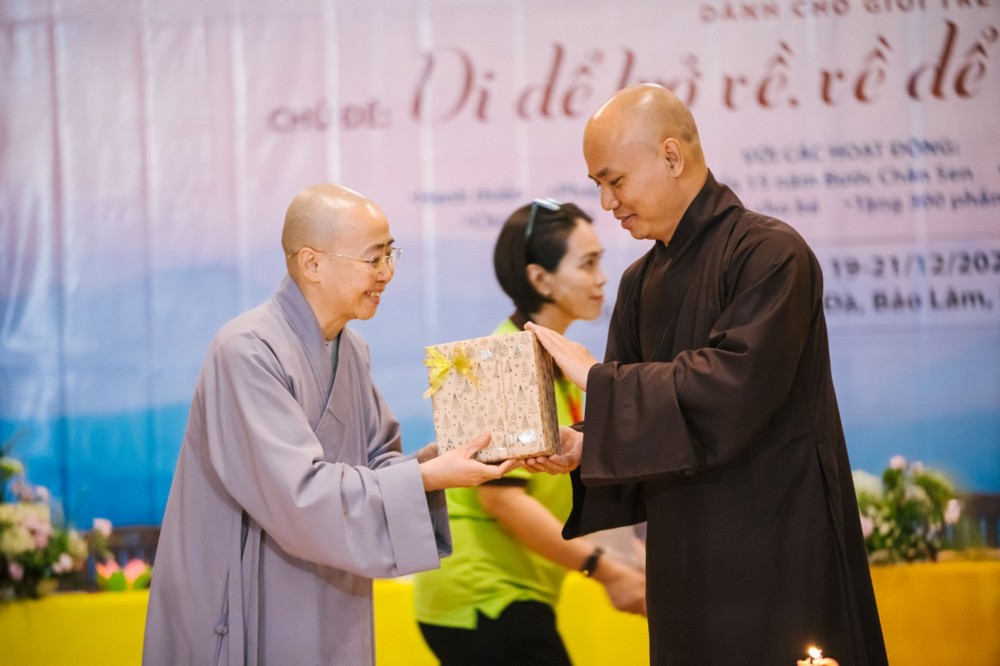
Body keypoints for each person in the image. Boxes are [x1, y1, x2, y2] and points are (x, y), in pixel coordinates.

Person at [523, 84, 889, 665]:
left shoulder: (771, 254)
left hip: (778, 545)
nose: (607, 202)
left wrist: (597, 378)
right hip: (683, 557)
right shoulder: (638, 283)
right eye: (598, 185)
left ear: (672, 156)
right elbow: (639, 417)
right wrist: (587, 445)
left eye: (615, 181)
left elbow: (730, 388)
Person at [143, 184, 524, 665]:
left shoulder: (351, 350)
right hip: (250, 598)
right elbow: (296, 494)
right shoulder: (246, 351)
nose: (387, 272)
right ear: (312, 264)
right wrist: (426, 477)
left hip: (332, 594)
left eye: (390, 254)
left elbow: (378, 462)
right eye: (373, 257)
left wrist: (447, 457)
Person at [412, 200, 647, 665]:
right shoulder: (502, 359)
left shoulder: (559, 358)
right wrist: (606, 571)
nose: (602, 278)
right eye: (587, 264)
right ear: (541, 279)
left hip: (514, 594)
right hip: (483, 597)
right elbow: (503, 500)